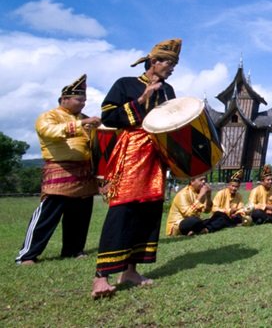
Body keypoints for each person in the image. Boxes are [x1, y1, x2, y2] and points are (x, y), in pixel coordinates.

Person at [92, 38, 181, 299]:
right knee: (123, 209)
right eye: (169, 63)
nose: (172, 68)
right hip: (131, 153)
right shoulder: (125, 84)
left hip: (156, 156)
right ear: (154, 62)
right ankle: (101, 276)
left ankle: (130, 270)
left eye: (175, 64)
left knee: (149, 211)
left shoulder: (169, 90)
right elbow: (109, 117)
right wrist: (142, 99)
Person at [16, 74, 100, 265]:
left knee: (80, 214)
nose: (83, 104)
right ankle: (27, 255)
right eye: (79, 99)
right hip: (60, 168)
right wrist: (81, 124)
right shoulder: (49, 116)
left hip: (84, 172)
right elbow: (49, 132)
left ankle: (73, 250)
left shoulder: (85, 118)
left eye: (85, 100)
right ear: (64, 99)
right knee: (48, 214)